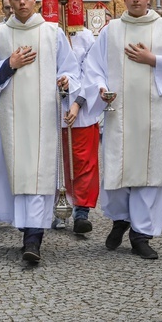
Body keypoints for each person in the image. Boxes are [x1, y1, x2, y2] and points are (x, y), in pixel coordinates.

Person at [82, 0, 162, 259]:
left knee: (148, 174)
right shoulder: (112, 30)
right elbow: (93, 66)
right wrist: (101, 87)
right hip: (118, 112)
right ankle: (120, 220)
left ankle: (140, 235)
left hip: (152, 114)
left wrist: (153, 60)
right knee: (118, 170)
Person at [0, 0, 80, 263]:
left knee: (39, 174)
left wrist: (66, 81)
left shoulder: (52, 32)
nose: (22, 2)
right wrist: (9, 65)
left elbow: (71, 68)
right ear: (8, 0)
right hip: (9, 117)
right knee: (17, 172)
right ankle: (26, 229)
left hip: (43, 117)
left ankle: (33, 239)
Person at [54, 27, 100, 234]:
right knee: (55, 162)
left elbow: (93, 73)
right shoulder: (45, 33)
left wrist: (78, 103)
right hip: (52, 107)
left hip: (82, 111)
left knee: (83, 162)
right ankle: (58, 209)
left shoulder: (86, 37)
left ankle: (81, 211)